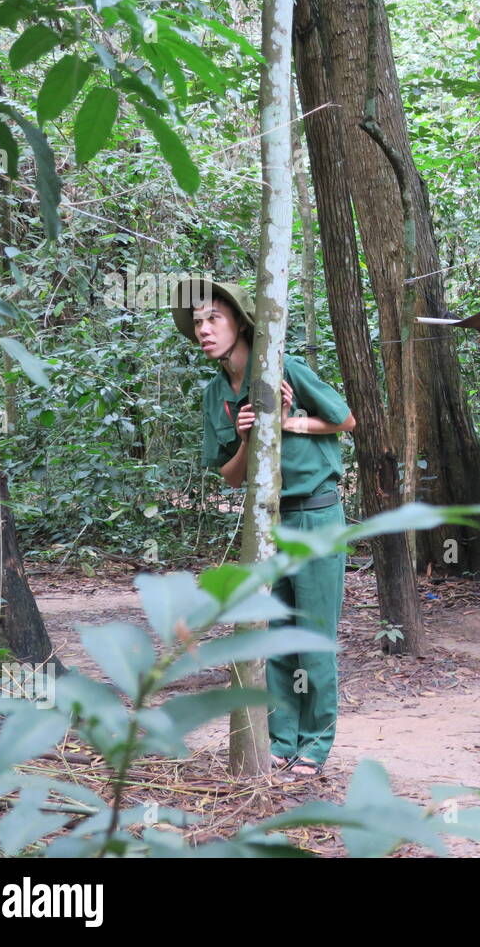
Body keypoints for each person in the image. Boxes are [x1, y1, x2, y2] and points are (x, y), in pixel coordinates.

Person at [169, 278, 356, 779]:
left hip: (316, 517)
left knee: (312, 635)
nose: (204, 330)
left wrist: (289, 421)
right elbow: (230, 476)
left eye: (214, 319)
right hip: (265, 520)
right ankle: (280, 739)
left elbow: (345, 420)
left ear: (240, 321)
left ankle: (315, 746)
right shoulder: (215, 395)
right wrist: (250, 437)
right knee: (272, 634)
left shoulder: (284, 367)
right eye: (198, 323)